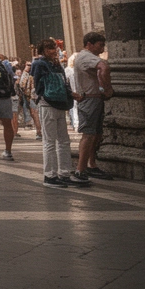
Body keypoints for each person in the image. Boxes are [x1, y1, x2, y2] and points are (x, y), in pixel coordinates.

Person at [30, 38, 88, 188]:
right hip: (47, 104)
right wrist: (42, 97)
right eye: (49, 48)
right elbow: (36, 84)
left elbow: (64, 83)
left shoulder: (57, 64)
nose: (53, 51)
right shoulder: (39, 63)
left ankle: (64, 173)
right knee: (50, 141)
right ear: (42, 51)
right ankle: (50, 175)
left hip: (59, 103)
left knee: (63, 140)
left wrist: (71, 94)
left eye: (54, 48)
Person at [71, 31, 113, 182]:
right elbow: (104, 67)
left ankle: (91, 165)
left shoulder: (84, 57)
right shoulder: (86, 57)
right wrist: (107, 88)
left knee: (95, 134)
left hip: (93, 99)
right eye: (100, 45)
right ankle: (80, 170)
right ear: (89, 44)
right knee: (88, 134)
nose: (102, 49)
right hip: (90, 100)